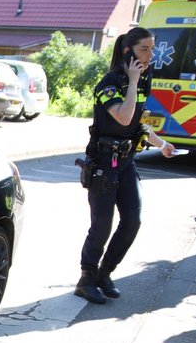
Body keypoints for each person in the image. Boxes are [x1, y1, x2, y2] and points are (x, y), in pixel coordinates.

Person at [75, 27, 177, 304]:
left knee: (133, 220)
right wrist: (132, 81)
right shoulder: (108, 83)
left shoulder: (143, 81)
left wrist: (161, 144)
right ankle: (86, 278)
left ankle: (104, 273)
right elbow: (122, 117)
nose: (150, 54)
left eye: (152, 49)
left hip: (126, 160)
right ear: (127, 51)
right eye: (145, 49)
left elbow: (137, 123)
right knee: (102, 225)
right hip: (104, 163)